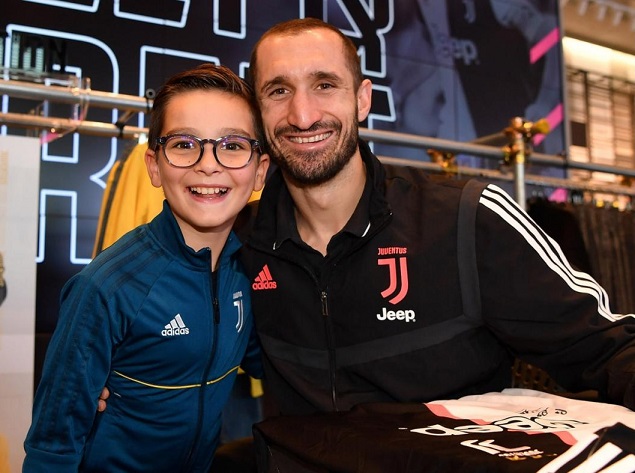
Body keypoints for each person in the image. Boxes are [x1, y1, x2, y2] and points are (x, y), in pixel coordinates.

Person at [237, 17, 635, 417]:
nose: (302, 115)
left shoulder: (467, 219)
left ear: (362, 99)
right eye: (278, 90)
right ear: (258, 111)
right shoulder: (241, 241)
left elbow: (608, 348)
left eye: (324, 85)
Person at [23, 63, 269, 472]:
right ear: (154, 165)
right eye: (185, 144)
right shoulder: (105, 288)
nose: (208, 164)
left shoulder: (249, 269)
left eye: (231, 144)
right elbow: (52, 448)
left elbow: (284, 365)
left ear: (259, 169)